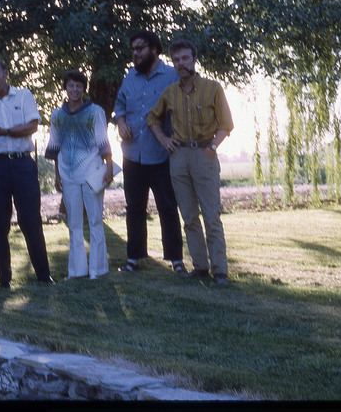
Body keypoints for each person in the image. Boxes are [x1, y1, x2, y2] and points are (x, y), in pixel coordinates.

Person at [147, 39, 234, 285]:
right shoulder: (170, 92)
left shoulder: (213, 88)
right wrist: (164, 139)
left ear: (194, 60)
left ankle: (220, 271)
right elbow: (152, 119)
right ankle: (200, 266)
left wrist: (212, 147)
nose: (181, 64)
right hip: (179, 157)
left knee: (211, 215)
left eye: (185, 58)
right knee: (188, 216)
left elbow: (226, 124)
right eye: (176, 60)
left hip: (204, 154)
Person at [0, 58, 53, 288]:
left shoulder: (24, 96)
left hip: (22, 164)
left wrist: (4, 132)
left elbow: (32, 126)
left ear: (6, 73)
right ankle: (4, 280)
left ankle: (43, 275)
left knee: (30, 220)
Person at [113, 30, 187, 274]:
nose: (135, 53)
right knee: (134, 207)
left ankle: (176, 259)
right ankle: (133, 259)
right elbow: (120, 105)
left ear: (154, 49)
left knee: (167, 205)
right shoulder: (129, 78)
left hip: (162, 154)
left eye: (141, 48)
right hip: (133, 154)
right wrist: (121, 121)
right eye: (133, 49)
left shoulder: (171, 76)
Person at [45, 70, 113, 280]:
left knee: (94, 221)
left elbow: (103, 141)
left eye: (78, 86)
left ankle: (97, 270)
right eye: (70, 85)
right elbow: (55, 147)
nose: (74, 89)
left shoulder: (95, 112)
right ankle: (76, 271)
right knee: (73, 224)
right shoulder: (56, 115)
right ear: (65, 88)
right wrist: (57, 174)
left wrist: (109, 167)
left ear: (84, 88)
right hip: (68, 175)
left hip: (92, 172)